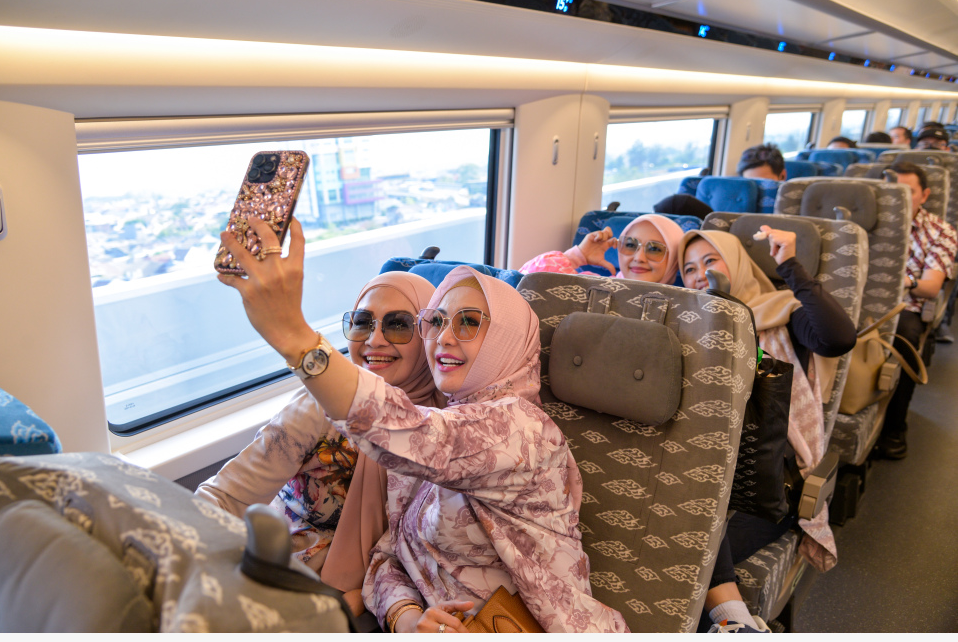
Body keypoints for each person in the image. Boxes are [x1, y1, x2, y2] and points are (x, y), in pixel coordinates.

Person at [216, 215, 629, 633]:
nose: (445, 337)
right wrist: (409, 618)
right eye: (437, 321)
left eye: (469, 322)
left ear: (505, 340)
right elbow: (390, 554)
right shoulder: (440, 422)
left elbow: (411, 434)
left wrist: (295, 337)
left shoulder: (521, 429)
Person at [195, 271, 445, 615]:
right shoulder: (322, 407)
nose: (374, 340)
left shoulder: (449, 424)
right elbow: (225, 496)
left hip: (379, 598)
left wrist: (355, 604)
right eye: (362, 323)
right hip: (281, 575)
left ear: (429, 334)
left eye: (398, 325)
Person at [678, 227, 856, 633]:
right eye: (688, 269)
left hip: (763, 486)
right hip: (700, 474)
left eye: (710, 261)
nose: (699, 275)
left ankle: (735, 623)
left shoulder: (781, 313)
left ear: (737, 263)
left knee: (690, 538)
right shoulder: (687, 326)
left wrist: (790, 265)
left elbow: (839, 338)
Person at [875, 162, 957, 460]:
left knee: (905, 336)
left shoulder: (941, 231)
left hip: (906, 304)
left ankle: (894, 428)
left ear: (924, 195)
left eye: (907, 191)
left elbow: (931, 287)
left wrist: (903, 280)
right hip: (860, 302)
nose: (898, 198)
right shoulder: (866, 223)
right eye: (892, 190)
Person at [518, 213, 685, 284]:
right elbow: (528, 282)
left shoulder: (684, 308)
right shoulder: (597, 285)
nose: (639, 258)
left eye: (655, 249)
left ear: (674, 259)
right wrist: (577, 256)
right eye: (630, 245)